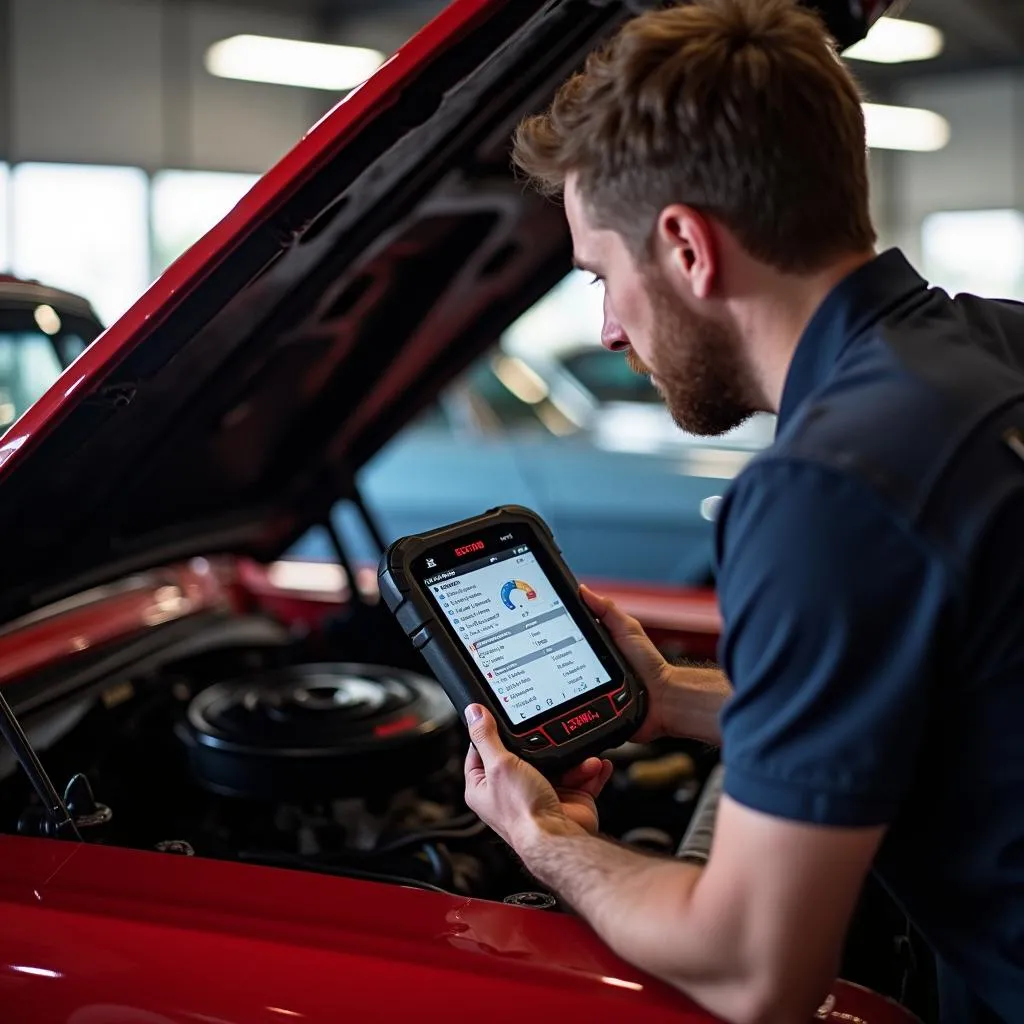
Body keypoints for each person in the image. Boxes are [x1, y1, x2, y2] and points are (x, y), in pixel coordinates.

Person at [459, 1, 1024, 1022]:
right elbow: (956, 710)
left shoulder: (824, 488)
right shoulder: (996, 347)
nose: (608, 329)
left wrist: (547, 841)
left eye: (599, 274)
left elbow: (756, 968)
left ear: (684, 246)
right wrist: (670, 695)